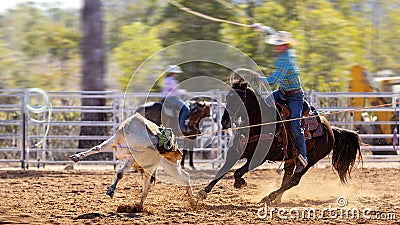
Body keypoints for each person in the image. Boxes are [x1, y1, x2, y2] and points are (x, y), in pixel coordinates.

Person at [253, 25, 308, 173]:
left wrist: (259, 78)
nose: (276, 47)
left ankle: (303, 156)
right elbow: (272, 31)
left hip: (295, 97)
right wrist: (261, 28)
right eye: (276, 44)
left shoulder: (286, 60)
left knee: (294, 124)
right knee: (263, 106)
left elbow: (272, 80)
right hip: (283, 92)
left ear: (285, 45)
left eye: (279, 44)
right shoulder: (285, 53)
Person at [162, 65, 191, 133]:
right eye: (176, 73)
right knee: (186, 109)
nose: (177, 75)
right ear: (173, 73)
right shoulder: (172, 81)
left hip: (166, 98)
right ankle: (182, 127)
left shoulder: (166, 80)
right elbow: (176, 92)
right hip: (171, 98)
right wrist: (184, 92)